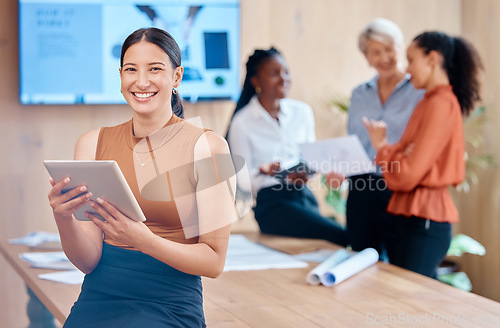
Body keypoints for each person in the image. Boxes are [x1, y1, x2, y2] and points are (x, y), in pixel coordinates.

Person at [47, 27, 236, 327]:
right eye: (131, 69)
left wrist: (144, 241)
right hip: (98, 301)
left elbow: (214, 261)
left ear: (176, 77)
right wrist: (63, 217)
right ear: (120, 75)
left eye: (155, 69)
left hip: (170, 308)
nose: (142, 81)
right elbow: (88, 260)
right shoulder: (91, 143)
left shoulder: (210, 147)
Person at [363, 31, 483, 278]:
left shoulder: (441, 104)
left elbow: (407, 173)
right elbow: (405, 157)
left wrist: (384, 147)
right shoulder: (429, 102)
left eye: (411, 60)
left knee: (409, 301)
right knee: (406, 299)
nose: (407, 70)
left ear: (433, 59)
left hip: (425, 220)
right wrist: (391, 150)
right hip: (413, 217)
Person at [226, 47, 348, 246]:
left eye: (286, 72)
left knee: (337, 236)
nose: (284, 79)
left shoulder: (302, 112)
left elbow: (311, 159)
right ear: (256, 81)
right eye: (274, 74)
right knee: (340, 235)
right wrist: (272, 174)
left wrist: (306, 173)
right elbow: (243, 184)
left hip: (304, 197)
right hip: (272, 205)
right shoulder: (241, 123)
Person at [326, 18, 424, 258]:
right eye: (375, 52)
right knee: (361, 260)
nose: (384, 58)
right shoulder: (359, 94)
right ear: (366, 57)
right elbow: (355, 143)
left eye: (389, 49)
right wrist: (340, 169)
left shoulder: (419, 92)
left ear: (400, 49)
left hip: (399, 185)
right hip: (362, 187)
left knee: (402, 263)